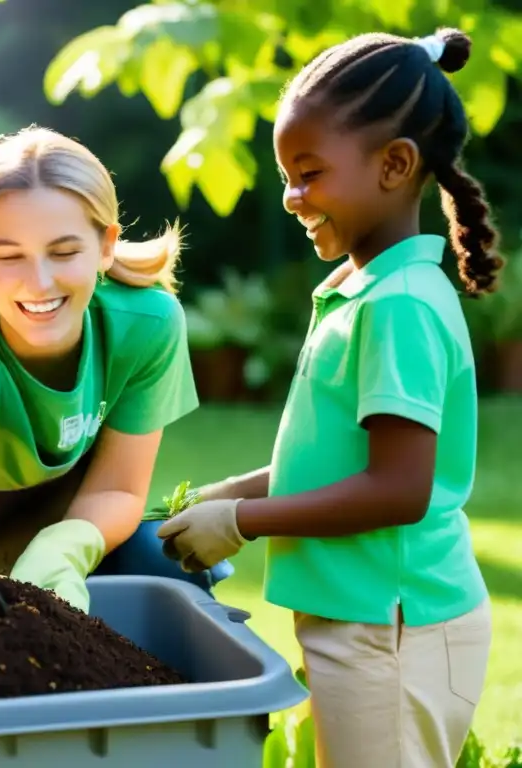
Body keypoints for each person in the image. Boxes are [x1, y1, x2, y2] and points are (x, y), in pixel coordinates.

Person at [158, 28, 499, 768]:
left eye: (309, 173)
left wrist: (242, 521)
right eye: (287, 173)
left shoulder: (400, 305)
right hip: (363, 619)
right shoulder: (361, 291)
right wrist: (231, 490)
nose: (290, 195)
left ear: (395, 165)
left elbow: (399, 489)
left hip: (394, 628)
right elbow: (338, 462)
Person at [0, 126, 233, 614]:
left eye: (64, 252)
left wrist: (64, 549)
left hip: (73, 527)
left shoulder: (146, 324)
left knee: (163, 562)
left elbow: (120, 486)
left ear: (106, 244)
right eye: (10, 256)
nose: (39, 283)